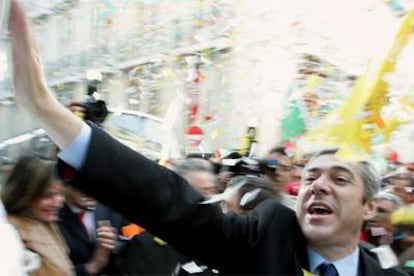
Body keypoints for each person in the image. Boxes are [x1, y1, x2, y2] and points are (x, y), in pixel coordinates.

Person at [9, 1, 408, 275]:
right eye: (310, 177)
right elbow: (167, 201)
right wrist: (47, 110)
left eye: (339, 179)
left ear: (370, 206)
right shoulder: (267, 235)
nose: (318, 185)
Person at [1, 154, 74, 275]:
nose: (58, 203)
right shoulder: (11, 235)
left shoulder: (45, 224)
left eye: (61, 194)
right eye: (48, 196)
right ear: (25, 195)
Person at [58, 187, 129, 276]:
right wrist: (91, 267)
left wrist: (115, 244)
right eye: (80, 185)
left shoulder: (115, 202)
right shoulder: (52, 214)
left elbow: (133, 235)